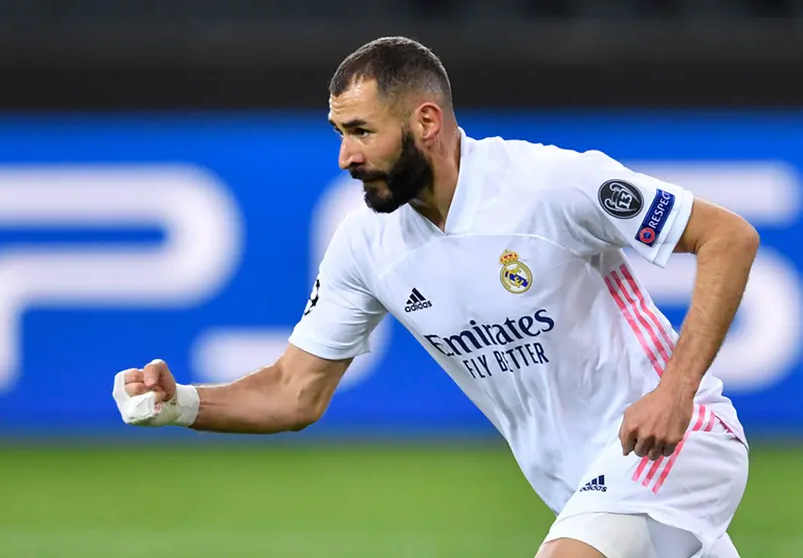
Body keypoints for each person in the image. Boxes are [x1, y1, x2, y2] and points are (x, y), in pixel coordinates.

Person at [112, 36, 757, 558]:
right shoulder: (367, 242)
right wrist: (181, 405)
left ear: (426, 121)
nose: (345, 156)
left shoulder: (548, 184)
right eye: (339, 132)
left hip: (677, 445)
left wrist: (675, 392)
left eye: (362, 131)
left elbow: (728, 237)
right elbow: (294, 390)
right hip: (578, 489)